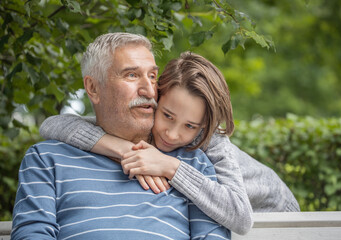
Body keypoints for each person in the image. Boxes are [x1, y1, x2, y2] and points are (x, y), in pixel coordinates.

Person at [40, 53, 300, 234]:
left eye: (189, 126)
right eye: (167, 116)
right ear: (157, 96)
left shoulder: (213, 140)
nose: (173, 135)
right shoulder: (142, 120)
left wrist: (170, 167)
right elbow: (52, 125)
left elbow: (241, 217)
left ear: (204, 125)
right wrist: (122, 149)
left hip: (276, 212)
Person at [11, 33, 231, 239]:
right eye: (132, 75)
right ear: (93, 88)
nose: (148, 89)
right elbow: (32, 233)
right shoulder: (46, 159)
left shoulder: (191, 162)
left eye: (153, 76)